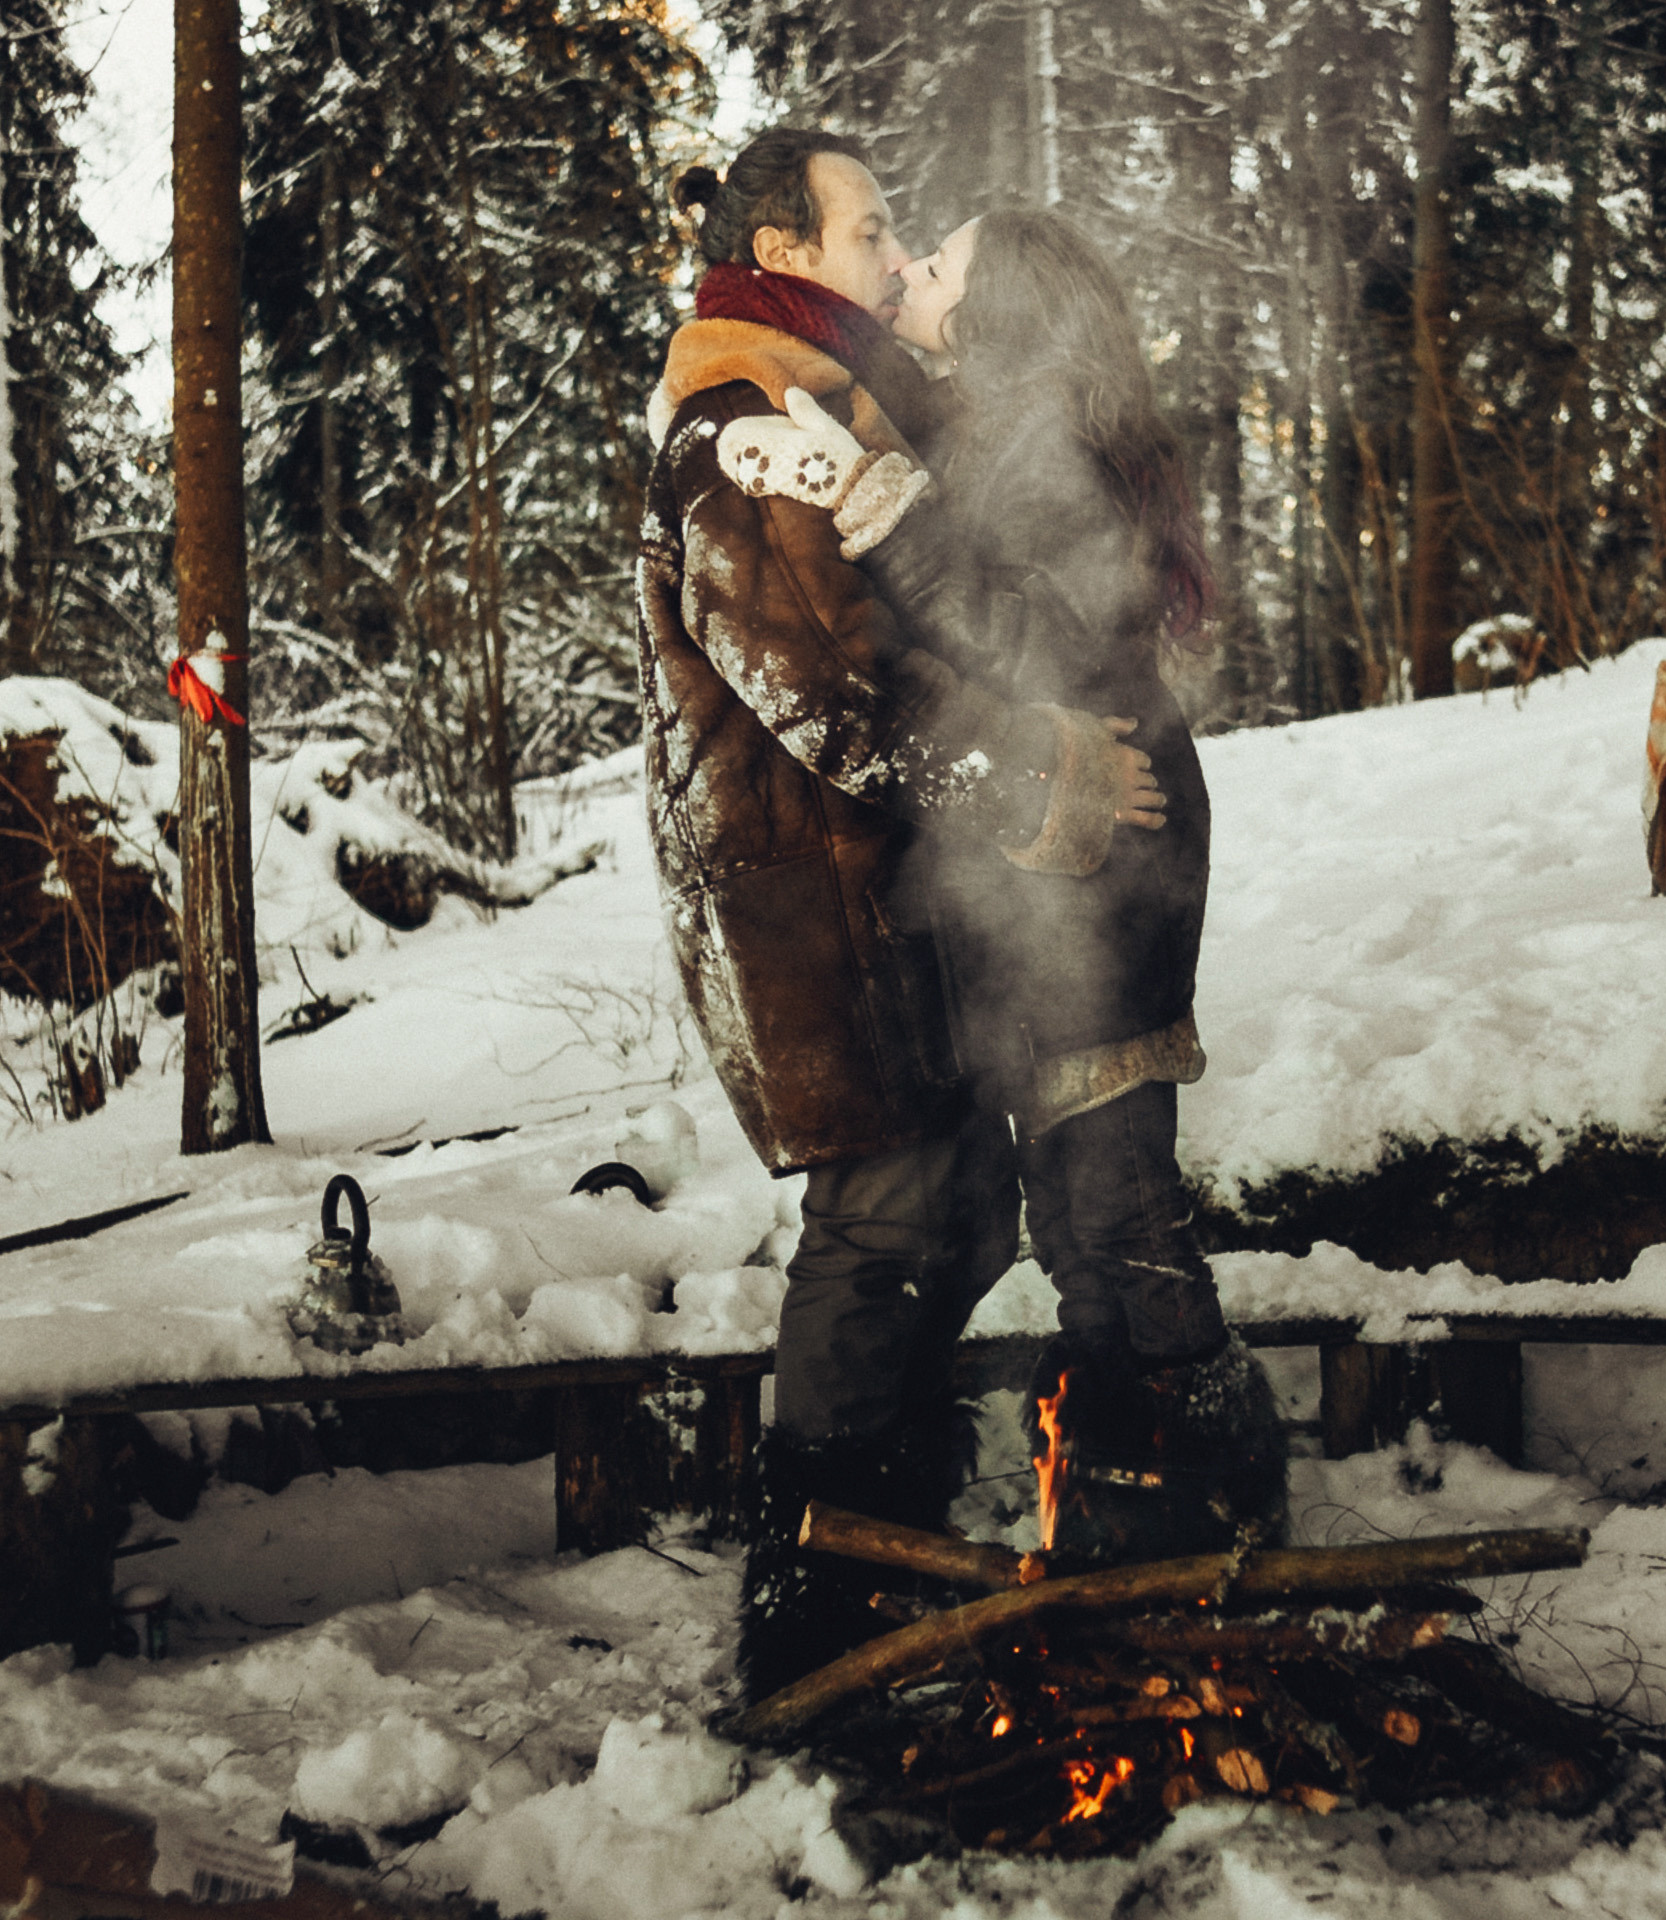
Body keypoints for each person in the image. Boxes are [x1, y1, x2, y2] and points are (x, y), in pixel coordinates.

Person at [634, 133, 1163, 1697]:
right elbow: (830, 689)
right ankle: (815, 1614)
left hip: (886, 899)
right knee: (885, 1224)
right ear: (791, 254)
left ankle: (882, 1567)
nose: (892, 249)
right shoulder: (746, 426)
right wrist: (1048, 773)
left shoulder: (831, 409)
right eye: (870, 228)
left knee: (944, 1212)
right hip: (819, 913)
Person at [721, 209, 1287, 1567]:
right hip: (1059, 835)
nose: (908, 272)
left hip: (1103, 836)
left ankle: (1197, 1515)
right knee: (1083, 1211)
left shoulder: (1043, 435)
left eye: (940, 265)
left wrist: (885, 511)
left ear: (1005, 311)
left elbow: (1046, 636)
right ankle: (1163, 1523)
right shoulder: (995, 420)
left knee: (1108, 1212)